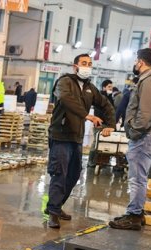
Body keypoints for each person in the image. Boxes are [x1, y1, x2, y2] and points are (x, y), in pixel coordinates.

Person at [46, 53, 115, 228]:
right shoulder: (64, 82)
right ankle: (53, 212)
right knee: (59, 173)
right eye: (84, 63)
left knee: (74, 174)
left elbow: (105, 104)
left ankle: (57, 205)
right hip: (60, 135)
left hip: (76, 137)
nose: (87, 66)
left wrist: (110, 124)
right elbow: (66, 100)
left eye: (90, 63)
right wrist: (87, 115)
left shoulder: (90, 88)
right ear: (75, 66)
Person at [109, 48, 151, 231]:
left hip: (146, 135)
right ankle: (136, 212)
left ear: (141, 62)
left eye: (136, 61)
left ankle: (135, 215)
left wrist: (134, 132)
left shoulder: (150, 81)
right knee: (140, 176)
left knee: (137, 177)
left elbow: (146, 114)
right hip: (150, 134)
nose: (135, 64)